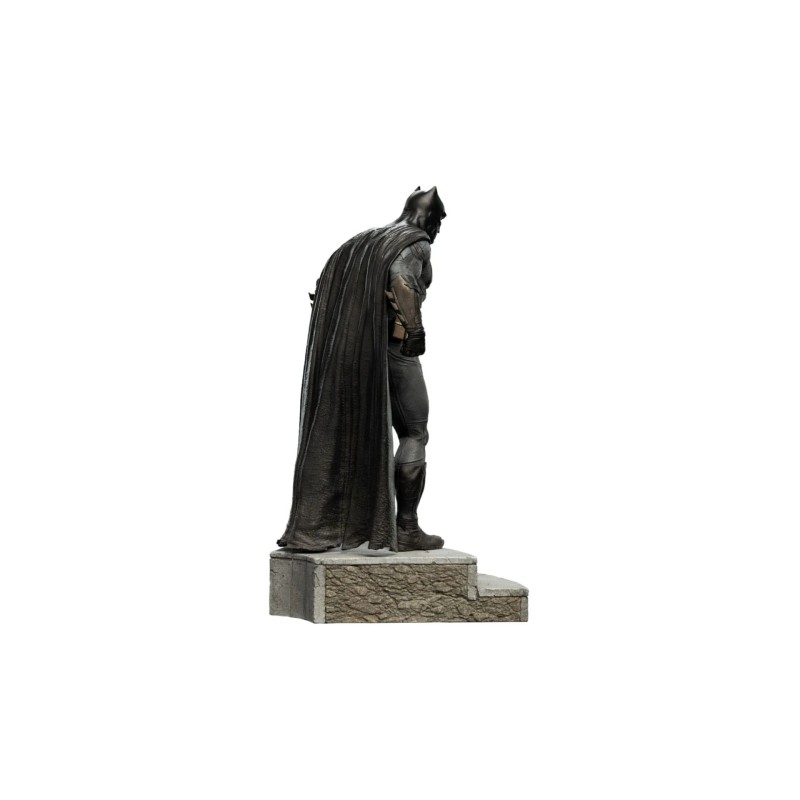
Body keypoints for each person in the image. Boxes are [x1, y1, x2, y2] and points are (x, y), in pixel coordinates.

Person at [278, 187, 447, 552]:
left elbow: (322, 292)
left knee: (351, 430)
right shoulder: (415, 242)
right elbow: (402, 278)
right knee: (415, 431)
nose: (438, 230)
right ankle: (407, 527)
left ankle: (336, 524)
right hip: (393, 347)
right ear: (431, 218)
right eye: (439, 222)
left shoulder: (359, 243)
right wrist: (414, 330)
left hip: (351, 352)